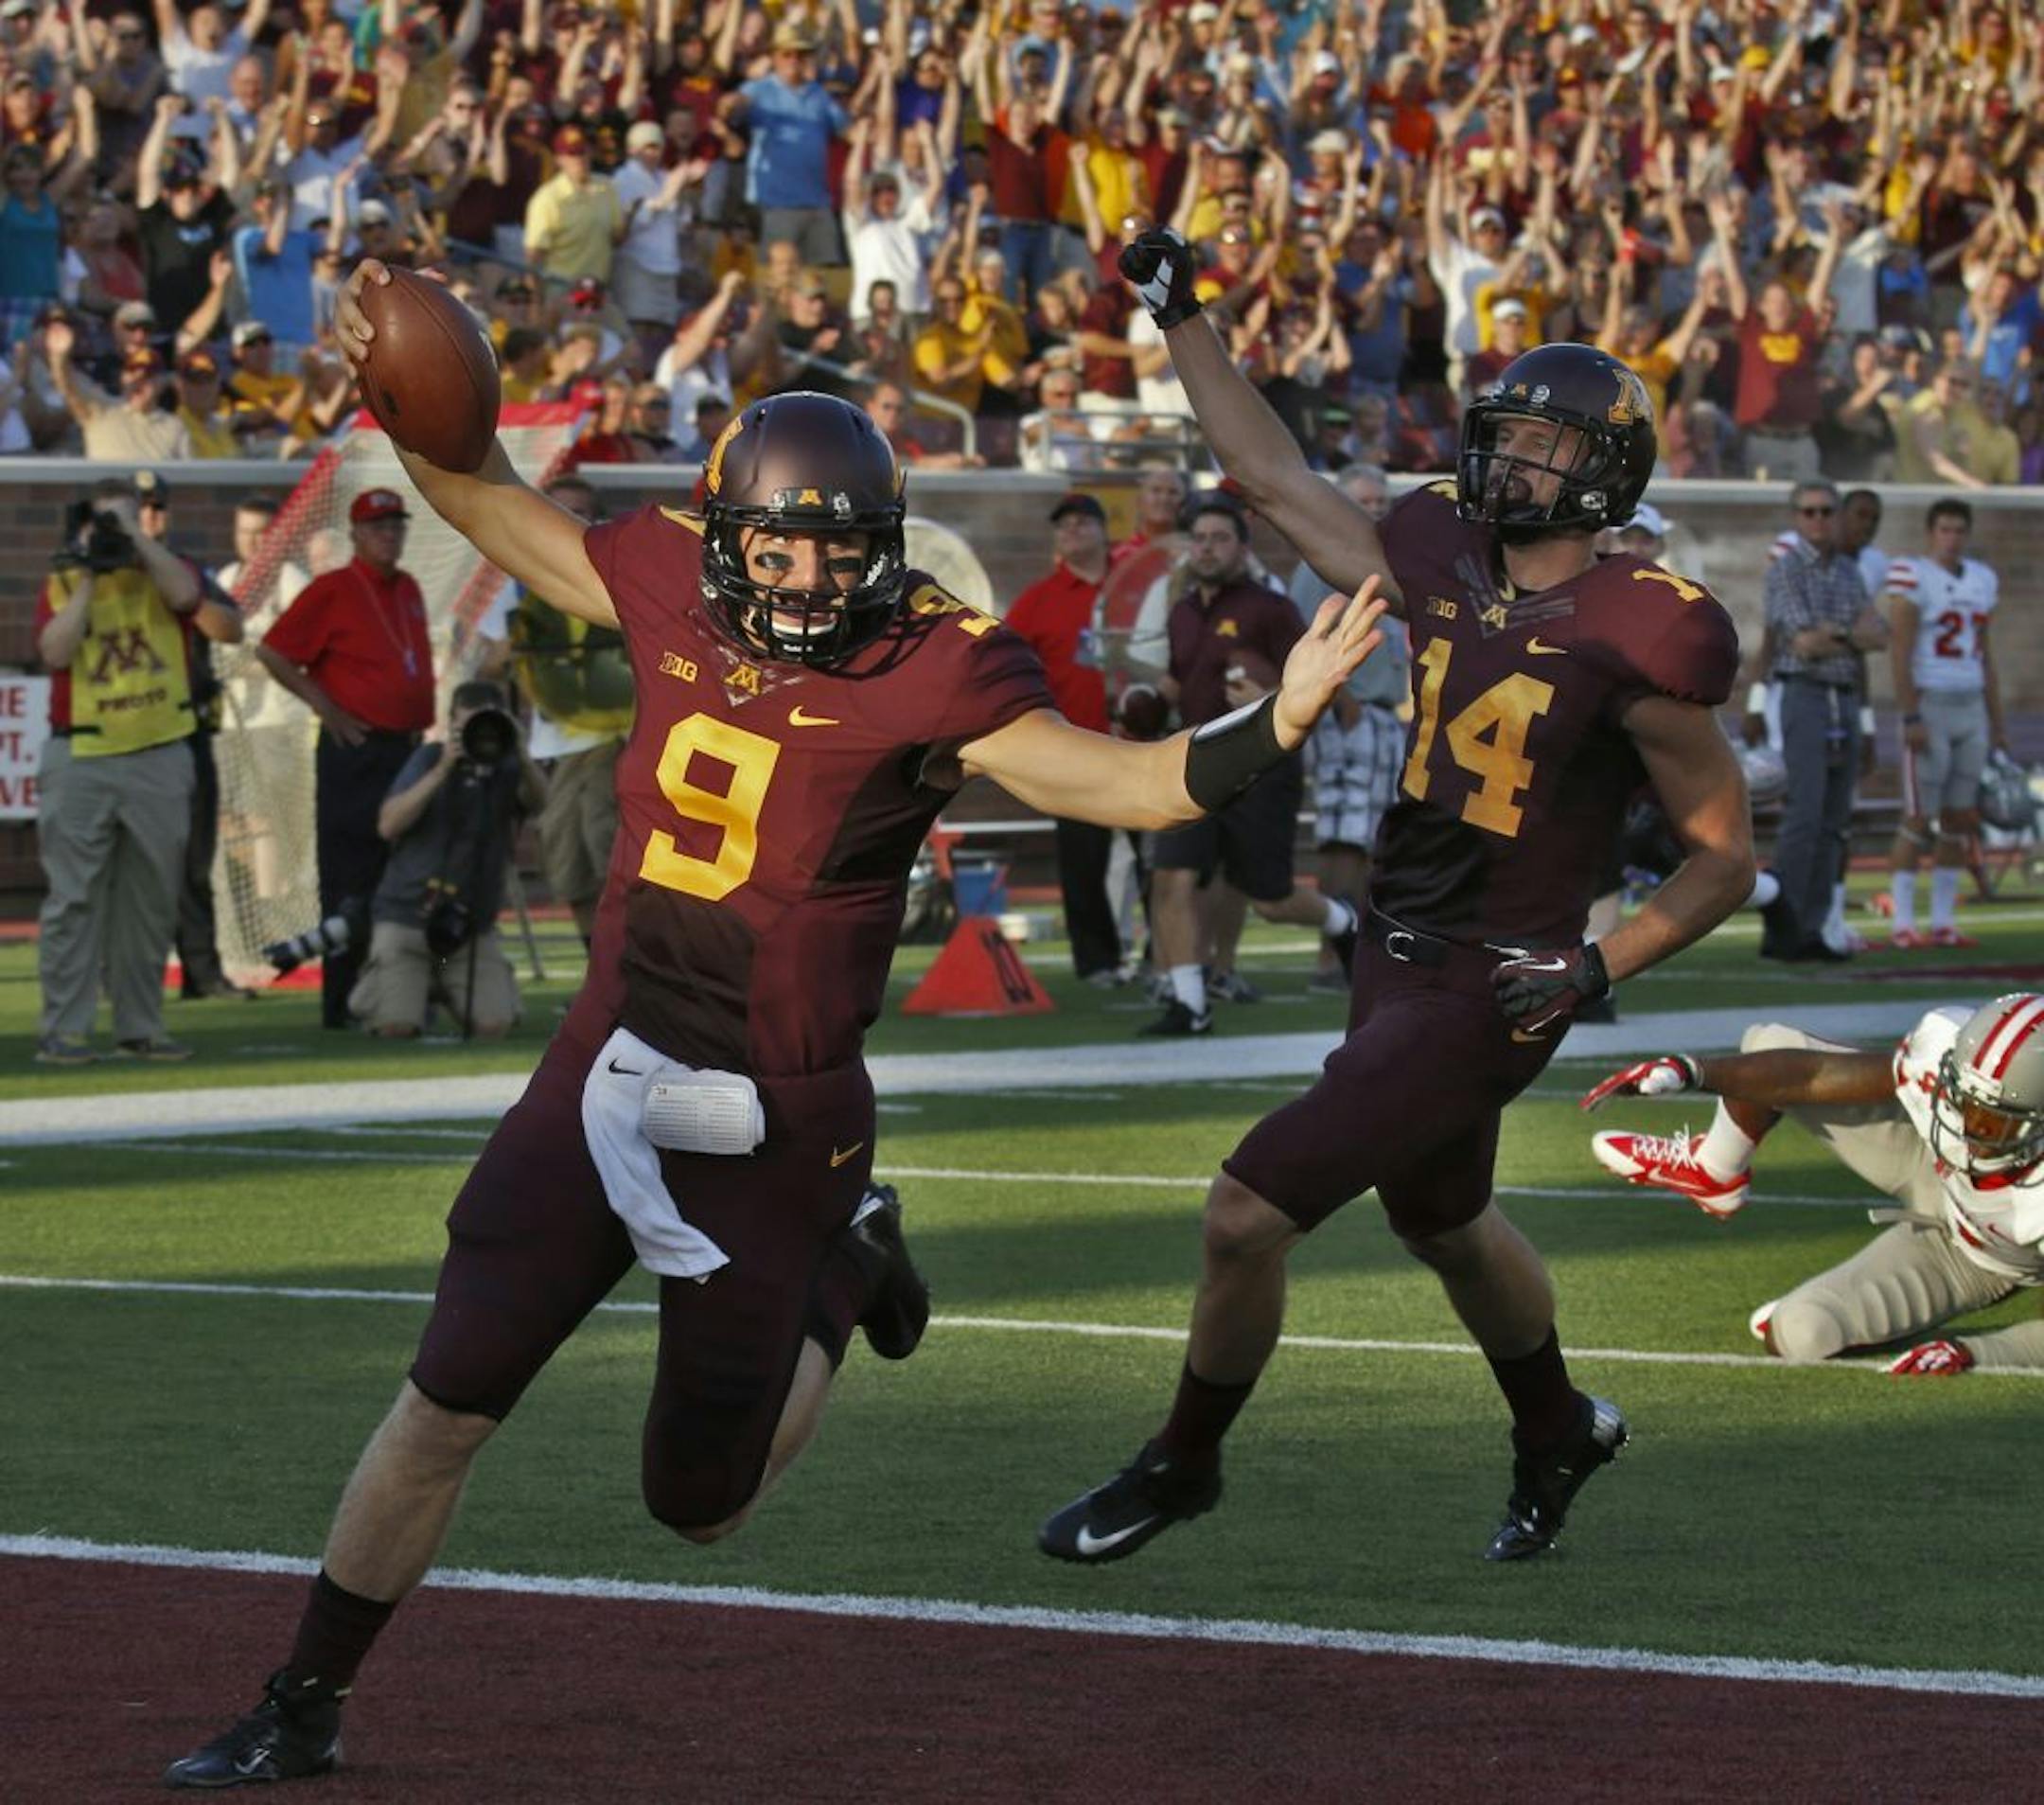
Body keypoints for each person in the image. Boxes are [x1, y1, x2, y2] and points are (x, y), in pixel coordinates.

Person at [162, 264, 1383, 1789]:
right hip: (612, 1054)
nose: (803, 580)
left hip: (775, 1106)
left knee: (702, 1507)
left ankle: (842, 1261)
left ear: (881, 552)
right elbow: (487, 502)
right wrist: (398, 398)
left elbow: (1122, 786)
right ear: (725, 530)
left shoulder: (933, 658)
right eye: (779, 546)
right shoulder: (666, 564)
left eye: (833, 551)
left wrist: (1273, 722)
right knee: (446, 1391)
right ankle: (303, 1697)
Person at [1039, 228, 1751, 1570]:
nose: (1510, 461)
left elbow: (1724, 854)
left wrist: (1602, 968)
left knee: (1245, 1210)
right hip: (1394, 943)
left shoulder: (1651, 621)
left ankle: (1182, 1459)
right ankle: (1557, 1424)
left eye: (1544, 446)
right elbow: (1266, 470)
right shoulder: (1431, 544)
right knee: (1443, 1220)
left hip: (1500, 976)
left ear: (1604, 474)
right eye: (1508, 435)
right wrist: (1181, 308)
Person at [1582, 995, 2044, 1375]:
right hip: (1926, 1165)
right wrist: (1691, 1072)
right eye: (1958, 1099)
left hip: (1981, 1257)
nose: (1960, 1122)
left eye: (1986, 1118)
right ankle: (1714, 1167)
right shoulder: (1949, 1056)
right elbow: (1811, 1074)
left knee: (1803, 1332)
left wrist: (1979, 1352)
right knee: (1771, 1044)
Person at [1138, 493, 1359, 1035]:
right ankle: (1190, 1005)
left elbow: (1316, 682)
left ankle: (1345, 922)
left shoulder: (1271, 608)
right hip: (1194, 760)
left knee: (1273, 900)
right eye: (1199, 538)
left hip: (1260, 763)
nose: (1206, 548)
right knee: (1172, 875)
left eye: (1219, 538)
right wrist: (1144, 704)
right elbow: (1178, 678)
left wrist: (1269, 696)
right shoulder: (1184, 610)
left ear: (1242, 546)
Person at [31, 478, 207, 1065]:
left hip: (159, 750)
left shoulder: (165, 569)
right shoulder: (63, 579)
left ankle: (141, 1027)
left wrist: (132, 536)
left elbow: (186, 598)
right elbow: (54, 652)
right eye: (102, 522)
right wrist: (89, 570)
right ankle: (64, 1030)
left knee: (151, 901)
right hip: (82, 753)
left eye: (124, 520)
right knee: (73, 899)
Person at [254, 488, 436, 1030]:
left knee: (398, 874)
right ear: (355, 534)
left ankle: (394, 991)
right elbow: (272, 651)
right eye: (378, 526)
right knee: (351, 872)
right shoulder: (333, 588)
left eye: (396, 525)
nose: (389, 534)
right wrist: (326, 708)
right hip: (356, 750)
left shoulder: (408, 588)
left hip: (403, 748)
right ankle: (342, 1002)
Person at [347, 681, 545, 1040]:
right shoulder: (428, 758)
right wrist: (442, 769)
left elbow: (543, 805)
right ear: (451, 723)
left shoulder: (508, 768)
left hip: (467, 931)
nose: (476, 736)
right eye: (467, 726)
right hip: (407, 920)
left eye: (486, 725)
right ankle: (401, 987)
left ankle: (439, 986)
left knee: (493, 1026)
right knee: (396, 1027)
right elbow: (388, 824)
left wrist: (522, 755)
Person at [1286, 463, 1405, 994]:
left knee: (1367, 836)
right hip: (1350, 712)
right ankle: (1332, 958)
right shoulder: (1325, 562)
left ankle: (1353, 951)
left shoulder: (1378, 558)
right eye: (1364, 501)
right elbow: (1310, 635)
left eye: (1381, 501)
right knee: (1342, 839)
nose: (1374, 510)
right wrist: (1343, 700)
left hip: (1379, 715)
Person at [1757, 481, 1887, 964]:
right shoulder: (1786, 569)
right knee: (1804, 814)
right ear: (1796, 517)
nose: (1818, 520)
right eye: (1809, 512)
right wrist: (1852, 635)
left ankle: (1813, 927)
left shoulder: (1850, 571)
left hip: (1844, 695)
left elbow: (1881, 635)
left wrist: (1838, 636)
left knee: (1835, 820)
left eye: (1826, 511)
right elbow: (1800, 643)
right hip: (1805, 694)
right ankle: (1784, 924)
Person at [1002, 491, 1123, 984]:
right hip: (1077, 750)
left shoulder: (1132, 585)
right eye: (1063, 526)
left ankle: (1168, 958)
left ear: (1103, 530)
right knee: (1082, 863)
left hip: (1142, 740)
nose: (1070, 531)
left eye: (1081, 523)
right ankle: (1097, 962)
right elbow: (1002, 661)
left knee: (1164, 862)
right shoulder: (1039, 599)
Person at [1882, 500, 2006, 950]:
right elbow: (1900, 649)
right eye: (1944, 529)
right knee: (1917, 817)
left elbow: (1986, 653)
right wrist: (1911, 711)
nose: (1951, 538)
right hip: (1931, 702)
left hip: (1970, 702)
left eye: (1959, 530)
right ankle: (1902, 922)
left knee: (1960, 817)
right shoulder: (1914, 575)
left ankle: (1943, 920)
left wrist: (1997, 719)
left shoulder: (1981, 579)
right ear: (1930, 532)